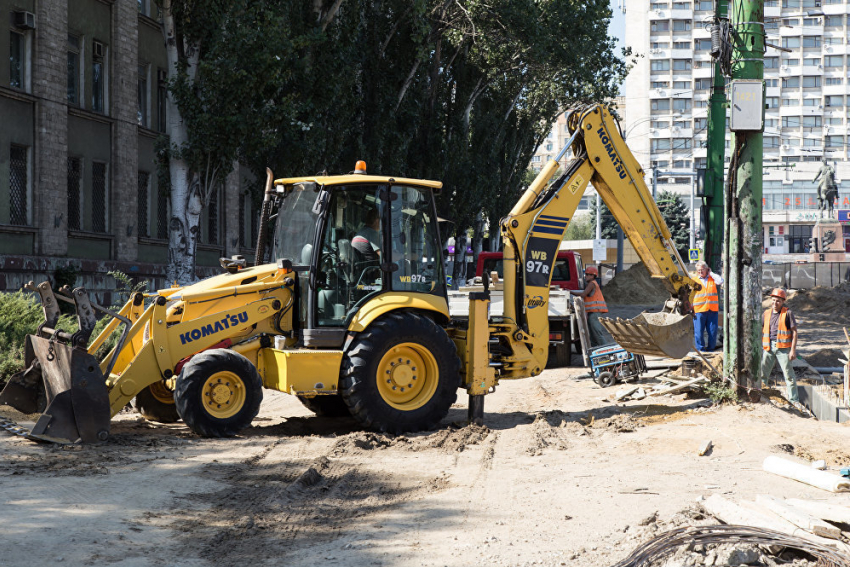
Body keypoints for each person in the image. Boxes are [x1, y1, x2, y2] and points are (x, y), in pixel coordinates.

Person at [761, 288, 800, 408]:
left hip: (783, 348)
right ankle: (761, 396)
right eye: (773, 300)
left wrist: (793, 350)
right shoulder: (766, 314)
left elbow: (794, 332)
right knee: (763, 374)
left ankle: (794, 400)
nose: (775, 303)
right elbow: (760, 330)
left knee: (789, 375)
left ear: (783, 301)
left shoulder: (787, 313)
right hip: (768, 347)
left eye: (778, 301)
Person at [570, 265, 609, 347]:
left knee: (597, 334)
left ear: (593, 276)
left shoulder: (592, 284)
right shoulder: (592, 284)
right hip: (592, 313)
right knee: (593, 336)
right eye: (586, 274)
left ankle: (607, 350)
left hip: (595, 312)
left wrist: (570, 292)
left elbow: (583, 294)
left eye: (588, 274)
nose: (586, 276)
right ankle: (595, 351)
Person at [692, 261, 723, 351]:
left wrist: (711, 273)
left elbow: (720, 281)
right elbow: (690, 295)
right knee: (698, 332)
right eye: (698, 270)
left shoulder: (712, 279)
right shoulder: (694, 281)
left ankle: (711, 350)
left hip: (712, 310)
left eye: (702, 270)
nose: (700, 272)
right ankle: (701, 350)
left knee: (712, 332)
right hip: (699, 310)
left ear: (707, 269)